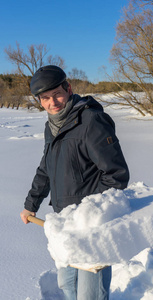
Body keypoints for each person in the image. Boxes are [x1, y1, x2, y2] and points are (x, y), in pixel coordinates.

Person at [20, 65, 129, 300]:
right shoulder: (52, 125)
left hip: (91, 228)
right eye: (45, 98)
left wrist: (88, 214)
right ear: (39, 101)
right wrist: (31, 204)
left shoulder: (91, 121)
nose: (53, 102)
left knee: (90, 295)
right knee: (68, 287)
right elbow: (46, 167)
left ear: (69, 89)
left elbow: (116, 175)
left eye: (57, 94)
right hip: (64, 223)